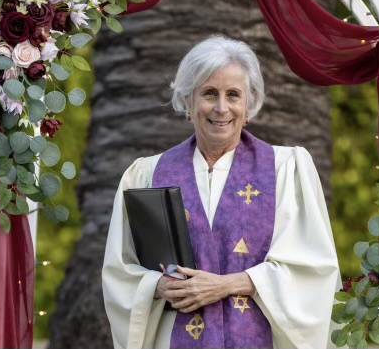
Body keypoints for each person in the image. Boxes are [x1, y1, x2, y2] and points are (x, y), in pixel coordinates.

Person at [102, 36, 340, 349]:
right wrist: (156, 286)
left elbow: (312, 272)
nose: (221, 108)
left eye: (233, 95)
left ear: (249, 104)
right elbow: (121, 271)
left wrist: (228, 285)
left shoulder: (285, 170)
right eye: (209, 94)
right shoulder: (146, 175)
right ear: (188, 101)